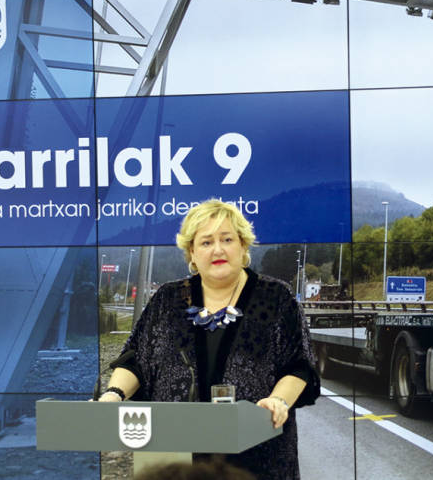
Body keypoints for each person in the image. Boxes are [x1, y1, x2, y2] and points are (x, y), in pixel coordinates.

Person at [98, 199, 320, 479]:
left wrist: (278, 401)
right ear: (192, 251)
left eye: (227, 239)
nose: (217, 249)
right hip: (174, 457)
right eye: (205, 242)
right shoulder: (168, 299)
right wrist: (113, 394)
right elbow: (135, 360)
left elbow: (298, 365)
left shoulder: (276, 298)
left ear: (243, 245)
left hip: (258, 456)